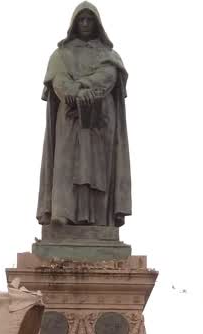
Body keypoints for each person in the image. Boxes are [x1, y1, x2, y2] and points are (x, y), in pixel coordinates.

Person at [36, 2, 132, 228]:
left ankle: (99, 219)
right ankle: (63, 214)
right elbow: (58, 79)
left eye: (90, 19)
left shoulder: (109, 54)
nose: (86, 23)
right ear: (75, 23)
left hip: (100, 117)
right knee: (65, 164)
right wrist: (74, 93)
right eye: (82, 19)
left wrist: (83, 88)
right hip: (70, 115)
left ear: (97, 23)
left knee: (98, 167)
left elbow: (108, 76)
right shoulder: (60, 54)